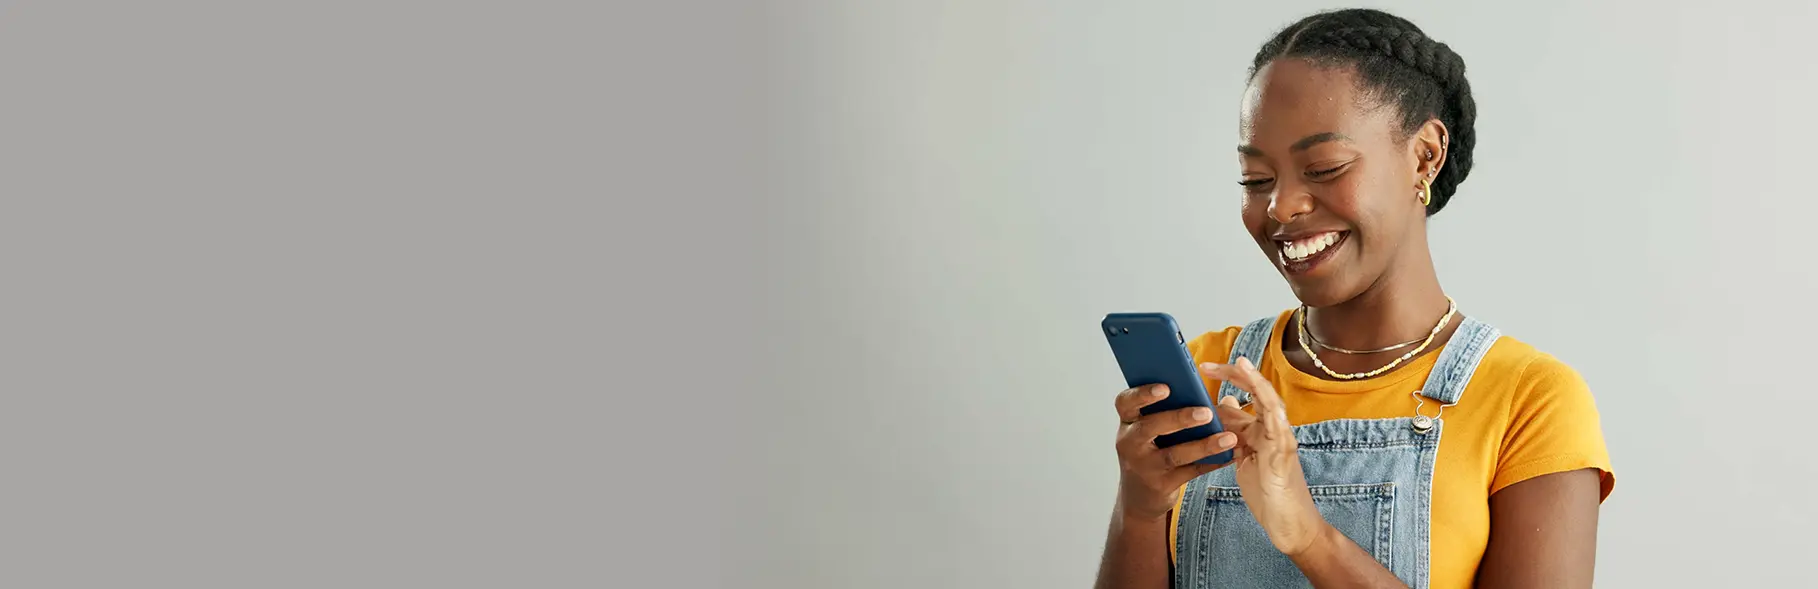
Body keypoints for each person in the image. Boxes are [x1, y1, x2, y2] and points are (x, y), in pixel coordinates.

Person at [1092, 8, 1614, 589]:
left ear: (1425, 156)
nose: (1281, 207)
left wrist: (1310, 538)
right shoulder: (1213, 374)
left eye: (1324, 168)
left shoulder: (1528, 400)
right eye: (1256, 180)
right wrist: (1139, 508)